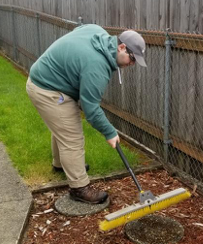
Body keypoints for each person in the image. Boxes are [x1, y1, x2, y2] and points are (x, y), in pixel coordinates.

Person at [26, 24, 147, 204]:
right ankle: (79, 188)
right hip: (48, 89)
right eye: (132, 58)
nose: (132, 64)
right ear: (121, 47)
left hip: (46, 79)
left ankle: (61, 165)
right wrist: (109, 132)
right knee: (72, 137)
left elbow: (79, 29)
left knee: (62, 127)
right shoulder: (97, 66)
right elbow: (91, 108)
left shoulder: (97, 31)